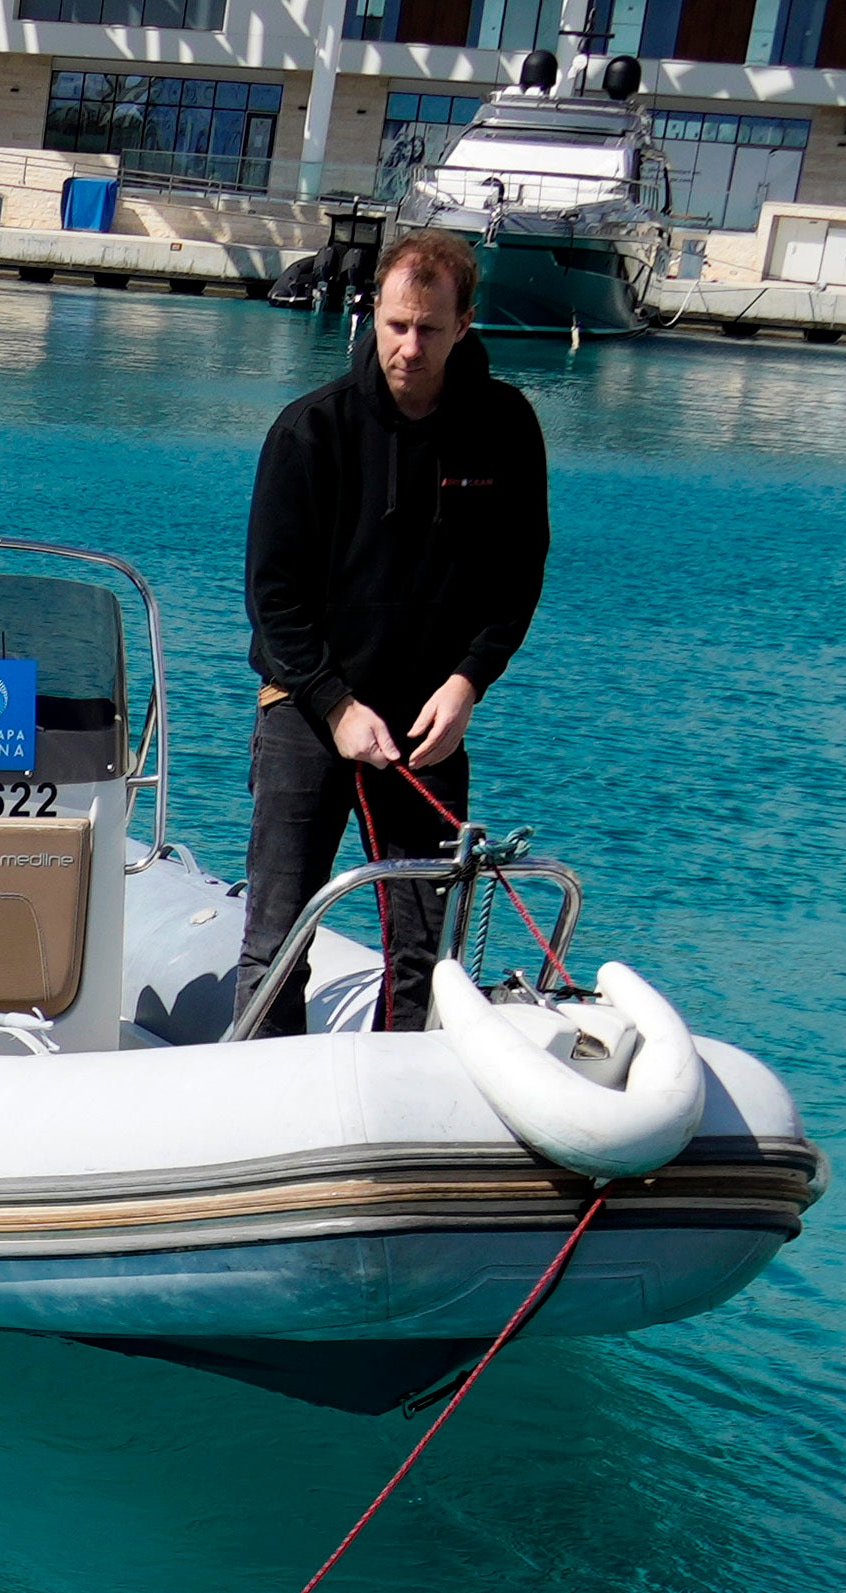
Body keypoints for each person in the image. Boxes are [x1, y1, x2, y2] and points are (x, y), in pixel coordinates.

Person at [232, 231, 548, 1038]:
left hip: (427, 724)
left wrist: (469, 681)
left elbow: (518, 576)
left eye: (431, 330)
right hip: (308, 711)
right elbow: (273, 600)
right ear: (374, 312)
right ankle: (264, 1111)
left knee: (422, 952)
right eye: (397, 324)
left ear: (466, 324)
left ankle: (394, 1100)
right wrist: (336, 707)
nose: (410, 347)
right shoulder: (311, 431)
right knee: (277, 943)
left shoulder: (507, 427)